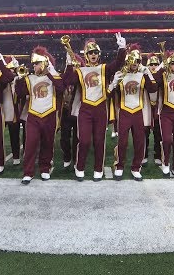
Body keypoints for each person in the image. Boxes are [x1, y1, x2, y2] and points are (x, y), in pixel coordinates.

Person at [63, 34, 127, 181]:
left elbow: (118, 64)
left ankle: (98, 169)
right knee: (84, 140)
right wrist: (68, 65)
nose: (93, 54)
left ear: (99, 55)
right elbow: (67, 81)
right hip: (85, 110)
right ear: (86, 54)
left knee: (99, 141)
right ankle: (80, 167)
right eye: (91, 52)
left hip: (100, 109)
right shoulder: (80, 71)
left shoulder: (103, 68)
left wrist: (122, 48)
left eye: (96, 52)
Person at [15, 46, 65, 184]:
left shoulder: (53, 76)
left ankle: (45, 169)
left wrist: (50, 71)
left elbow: (61, 88)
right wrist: (19, 79)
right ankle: (28, 172)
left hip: (49, 113)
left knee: (47, 144)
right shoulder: (29, 78)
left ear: (44, 63)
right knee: (30, 144)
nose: (34, 66)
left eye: (37, 63)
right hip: (33, 115)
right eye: (34, 64)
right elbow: (20, 93)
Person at [109, 44, 157, 181]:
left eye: (137, 61)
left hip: (138, 112)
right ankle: (119, 166)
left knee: (139, 142)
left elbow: (153, 89)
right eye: (132, 61)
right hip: (124, 111)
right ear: (127, 61)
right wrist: (113, 83)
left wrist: (147, 73)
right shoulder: (121, 75)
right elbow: (111, 95)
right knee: (122, 142)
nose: (135, 64)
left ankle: (136, 167)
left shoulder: (143, 76)